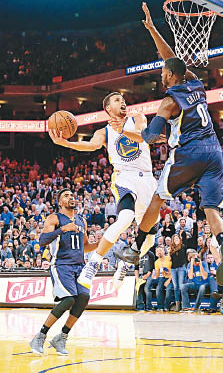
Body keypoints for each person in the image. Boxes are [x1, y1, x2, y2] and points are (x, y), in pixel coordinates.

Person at [113, 2, 223, 287]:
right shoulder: (195, 82)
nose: (161, 74)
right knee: (210, 209)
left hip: (189, 154)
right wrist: (153, 29)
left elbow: (150, 138)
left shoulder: (167, 102)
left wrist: (128, 132)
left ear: (168, 76)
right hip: (215, 153)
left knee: (158, 198)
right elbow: (173, 61)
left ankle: (134, 248)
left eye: (163, 72)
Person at [49, 91, 161, 290]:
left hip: (148, 179)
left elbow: (144, 137)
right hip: (125, 176)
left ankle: (125, 265)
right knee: (126, 217)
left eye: (124, 100)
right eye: (118, 100)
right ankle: (92, 265)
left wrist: (123, 131)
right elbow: (89, 145)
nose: (123, 102)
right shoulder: (104, 132)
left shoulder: (137, 118)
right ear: (108, 109)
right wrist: (66, 143)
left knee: (150, 238)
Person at [29, 189, 99, 355]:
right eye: (66, 196)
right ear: (60, 202)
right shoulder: (54, 218)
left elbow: (85, 247)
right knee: (68, 299)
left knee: (83, 298)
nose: (71, 197)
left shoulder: (82, 221)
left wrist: (99, 244)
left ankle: (62, 337)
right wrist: (62, 229)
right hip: (61, 265)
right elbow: (42, 241)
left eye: (72, 195)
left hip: (79, 266)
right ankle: (40, 336)